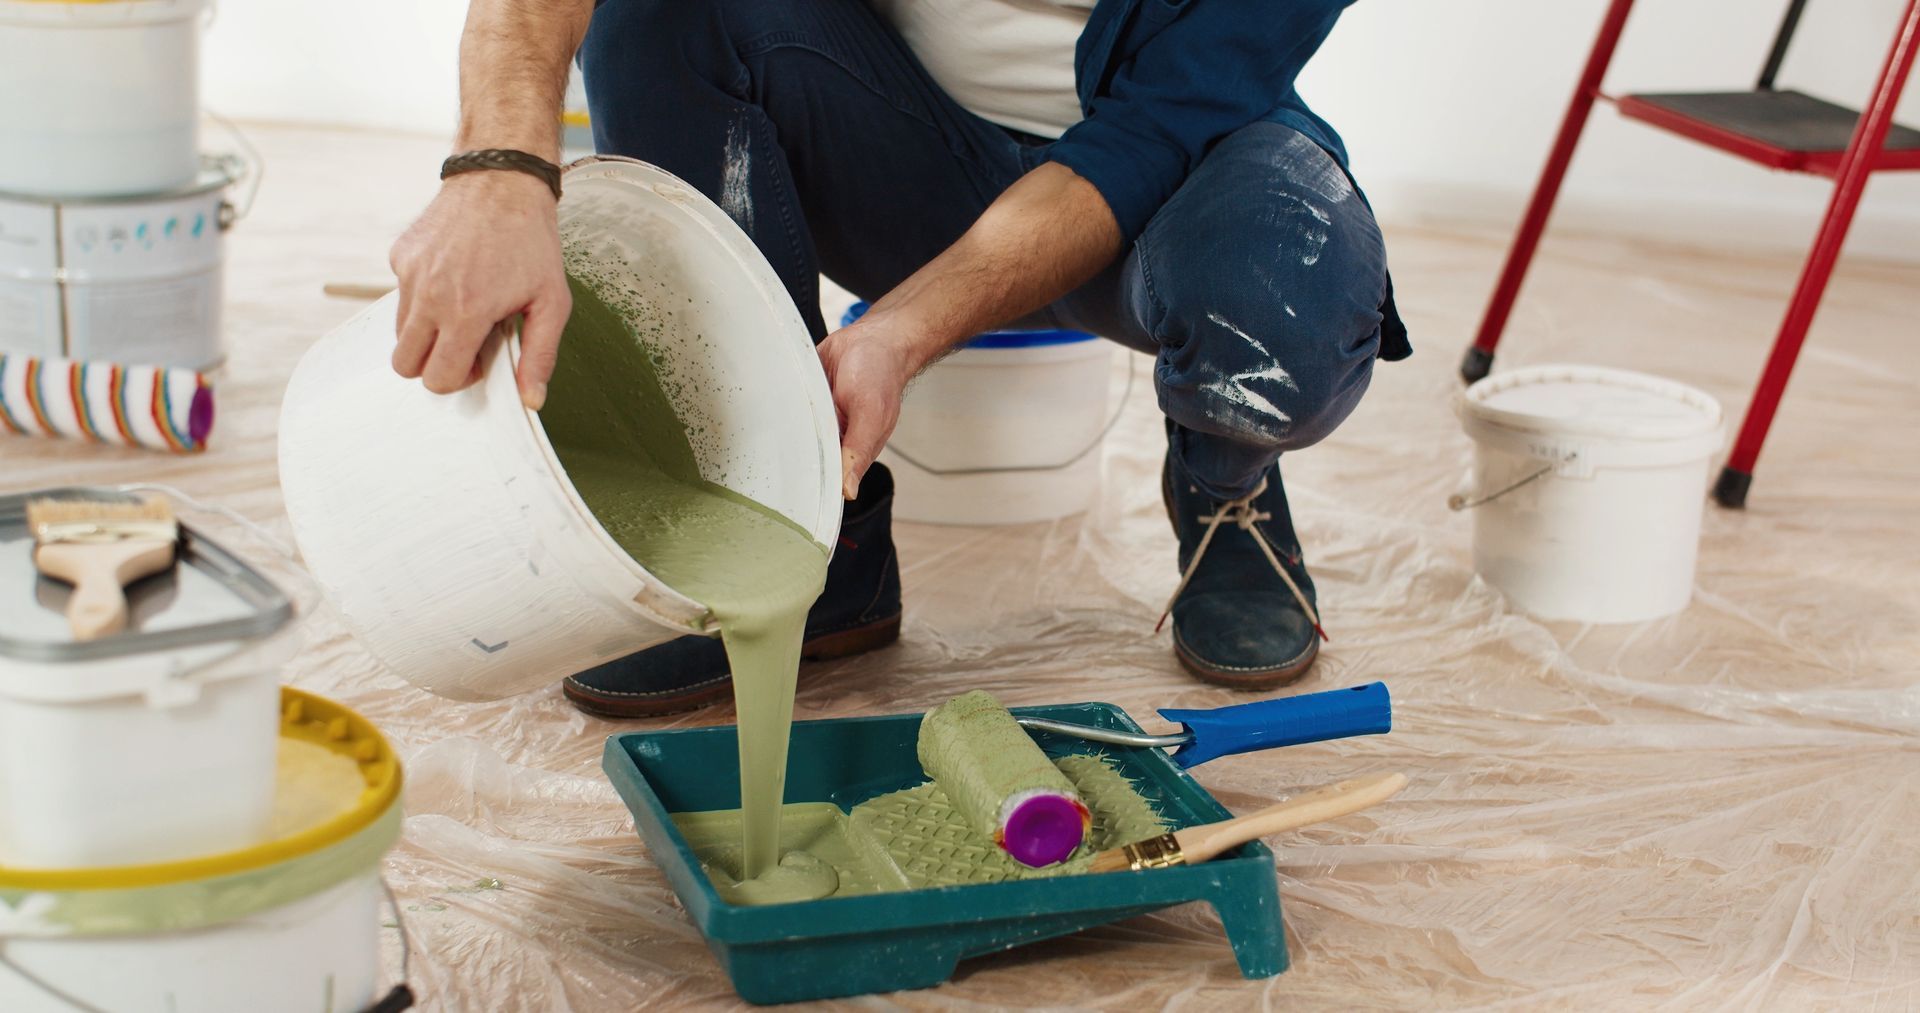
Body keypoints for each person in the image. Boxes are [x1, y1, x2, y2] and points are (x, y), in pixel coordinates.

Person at [388, 0, 1408, 718]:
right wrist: (500, 169)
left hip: (1172, 180)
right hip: (897, 144)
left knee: (1281, 302)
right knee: (663, 13)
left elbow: (1148, 136)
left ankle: (1225, 484)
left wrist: (898, 330)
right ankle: (803, 536)